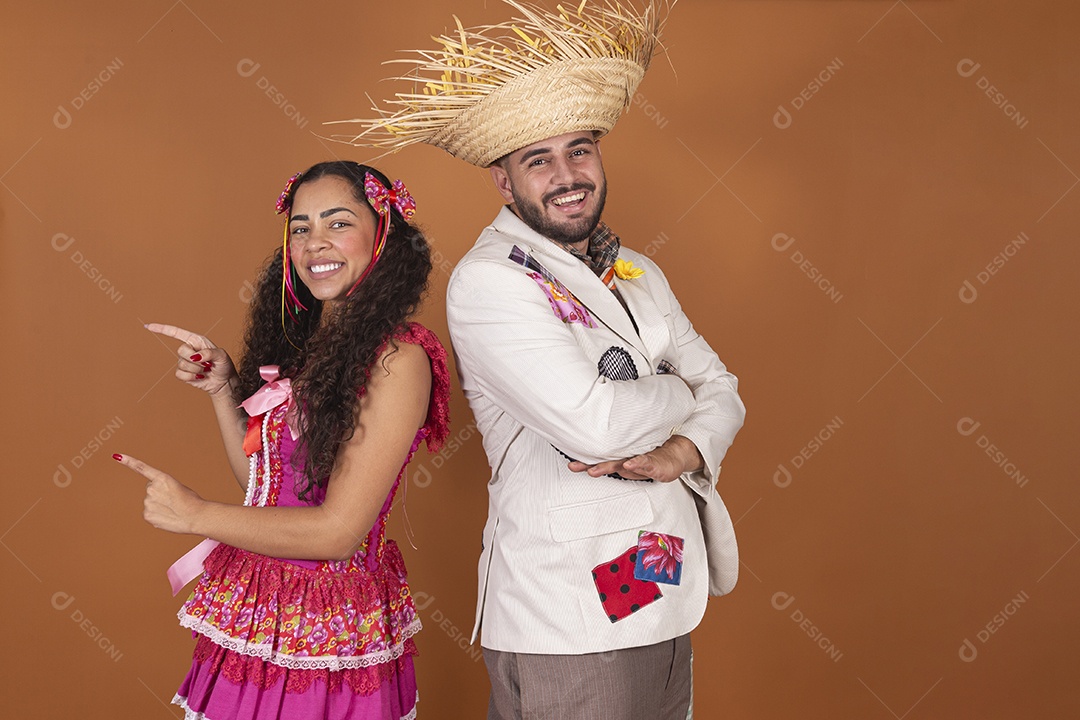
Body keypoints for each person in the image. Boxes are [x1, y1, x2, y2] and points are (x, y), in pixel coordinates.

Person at [337, 2, 745, 717]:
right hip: (571, 610)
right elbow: (598, 427)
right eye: (538, 160)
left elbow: (727, 391)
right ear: (504, 182)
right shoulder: (491, 282)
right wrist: (680, 391)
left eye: (579, 150)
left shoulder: (640, 271)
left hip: (665, 583)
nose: (567, 175)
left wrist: (684, 451)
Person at [115, 161, 450, 720]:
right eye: (300, 227)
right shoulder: (311, 344)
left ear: (382, 231)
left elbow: (338, 532)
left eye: (338, 223)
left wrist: (196, 514)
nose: (315, 242)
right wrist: (223, 387)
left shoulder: (398, 358)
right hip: (261, 607)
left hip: (329, 627)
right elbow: (265, 493)